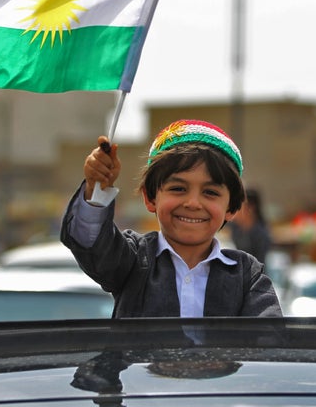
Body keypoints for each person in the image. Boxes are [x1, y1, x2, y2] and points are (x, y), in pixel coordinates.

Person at [60, 119, 282, 318]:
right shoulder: (133, 260)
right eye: (178, 188)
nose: (193, 203)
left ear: (231, 208)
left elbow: (268, 345)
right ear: (150, 198)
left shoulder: (246, 274)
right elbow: (91, 243)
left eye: (210, 193)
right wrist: (96, 188)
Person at [229, 188, 272, 264]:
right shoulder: (236, 228)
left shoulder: (261, 235)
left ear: (250, 208)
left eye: (237, 206)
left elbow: (259, 265)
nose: (233, 211)